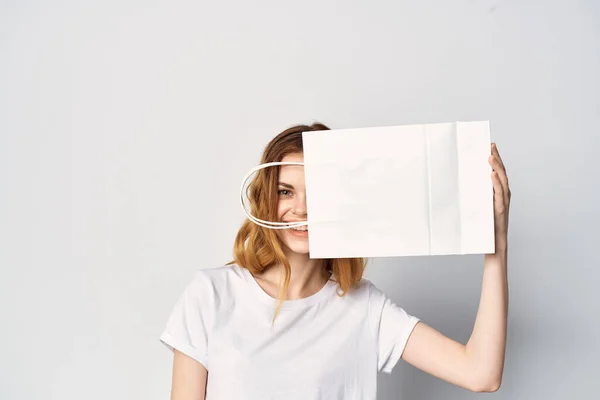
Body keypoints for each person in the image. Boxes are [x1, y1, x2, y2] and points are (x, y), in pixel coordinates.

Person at [159, 122, 511, 400]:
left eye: (318, 192)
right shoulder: (211, 295)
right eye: (286, 191)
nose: (301, 209)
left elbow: (480, 373)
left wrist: (496, 243)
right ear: (267, 197)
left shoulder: (365, 307)